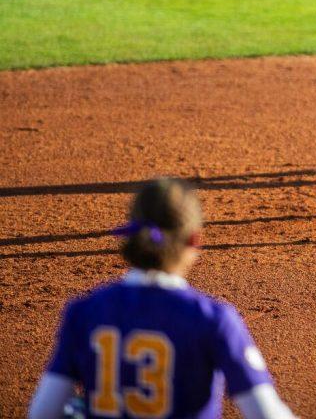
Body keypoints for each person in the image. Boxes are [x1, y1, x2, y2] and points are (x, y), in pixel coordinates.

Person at [27, 178, 297, 419]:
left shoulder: (83, 312)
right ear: (194, 239)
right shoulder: (213, 318)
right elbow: (266, 413)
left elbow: (42, 413)